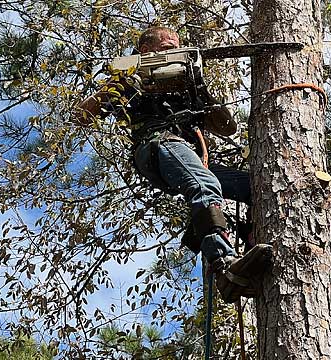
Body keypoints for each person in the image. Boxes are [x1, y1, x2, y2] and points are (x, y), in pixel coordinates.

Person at [76, 26, 261, 303]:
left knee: (254, 185)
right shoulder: (130, 79)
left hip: (190, 154)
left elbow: (228, 128)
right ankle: (223, 264)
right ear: (146, 51)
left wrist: (200, 88)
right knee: (204, 184)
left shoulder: (187, 83)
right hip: (158, 144)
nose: (173, 50)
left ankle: (253, 239)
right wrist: (119, 86)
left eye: (176, 46)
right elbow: (81, 116)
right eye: (166, 47)